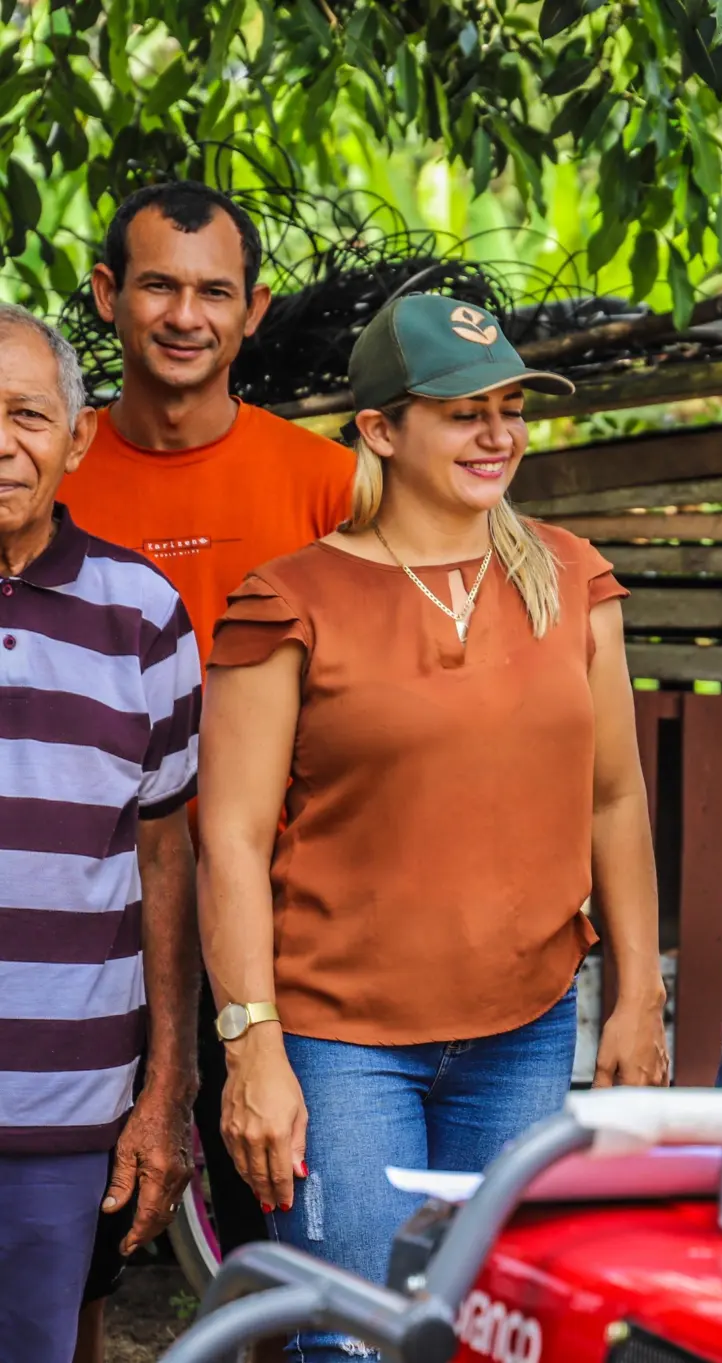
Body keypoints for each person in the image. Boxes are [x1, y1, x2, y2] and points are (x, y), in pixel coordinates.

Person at [196, 294, 670, 1363]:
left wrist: (638, 996)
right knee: (357, 1345)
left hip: (527, 1027)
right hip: (341, 1043)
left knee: (494, 1339)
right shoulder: (288, 602)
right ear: (379, 429)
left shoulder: (572, 578)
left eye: (510, 407)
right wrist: (251, 1045)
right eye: (463, 412)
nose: (498, 434)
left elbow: (614, 797)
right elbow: (229, 837)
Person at [60, 180, 355, 1341]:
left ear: (253, 309)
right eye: (159, 285)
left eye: (213, 291)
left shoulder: (330, 482)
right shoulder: (44, 474)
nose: (185, 314)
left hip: (275, 923)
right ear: (108, 297)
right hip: (83, 922)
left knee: (290, 1247)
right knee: (65, 1245)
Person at [0, 305, 202, 1363]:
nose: (2, 443)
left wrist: (166, 1086)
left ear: (78, 438)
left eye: (28, 414)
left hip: (65, 1112)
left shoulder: (144, 613)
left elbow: (165, 858)